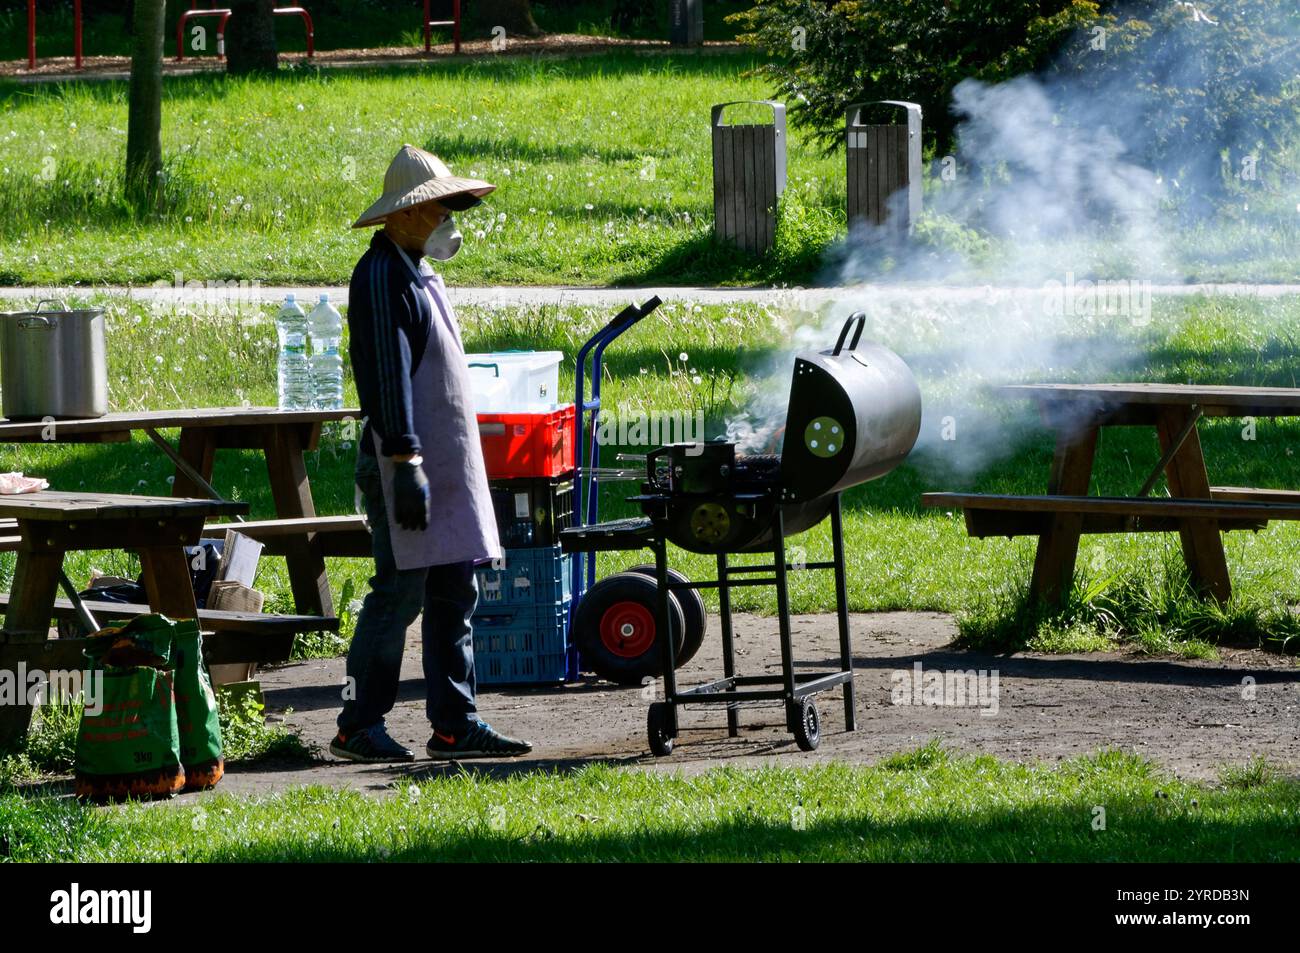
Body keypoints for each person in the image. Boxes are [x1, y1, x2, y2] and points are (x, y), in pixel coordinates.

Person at [331, 144, 533, 762]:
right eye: (440, 207)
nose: (450, 217)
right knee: (399, 592)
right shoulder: (380, 276)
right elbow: (386, 378)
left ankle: (455, 723)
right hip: (406, 464)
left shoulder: (417, 269)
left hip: (441, 464)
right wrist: (405, 460)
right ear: (403, 216)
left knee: (455, 591)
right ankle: (356, 725)